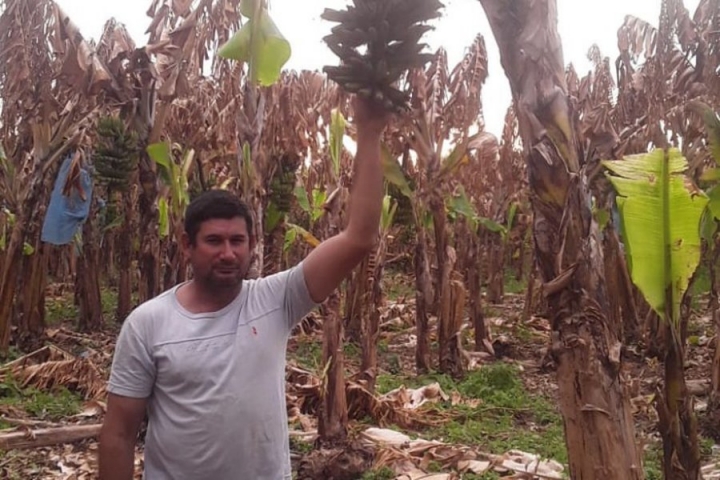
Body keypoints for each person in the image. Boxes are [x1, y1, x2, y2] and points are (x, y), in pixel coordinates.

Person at [98, 96, 389, 480]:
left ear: (252, 244)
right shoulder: (148, 324)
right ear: (187, 245)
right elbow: (119, 433)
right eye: (214, 241)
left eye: (238, 241)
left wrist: (369, 133)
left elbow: (359, 238)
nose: (228, 253)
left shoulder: (276, 300)